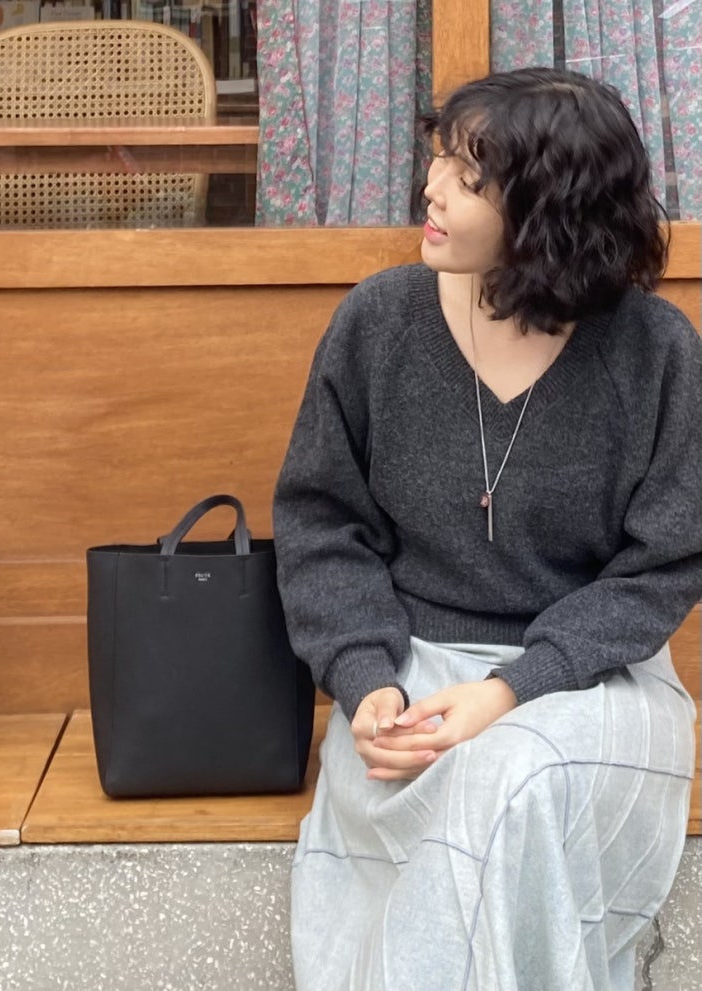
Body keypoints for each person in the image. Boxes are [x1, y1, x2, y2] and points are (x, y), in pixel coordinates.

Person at [272, 66, 702, 991]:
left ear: (551, 213)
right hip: (411, 675)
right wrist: (364, 679)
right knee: (472, 790)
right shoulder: (378, 322)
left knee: (507, 780)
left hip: (593, 682)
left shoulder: (655, 352)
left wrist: (509, 691)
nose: (429, 189)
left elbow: (664, 563)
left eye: (469, 179)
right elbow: (322, 523)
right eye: (437, 159)